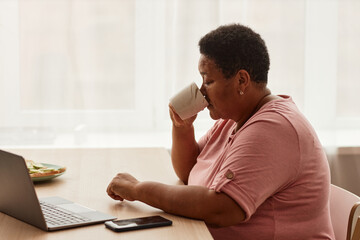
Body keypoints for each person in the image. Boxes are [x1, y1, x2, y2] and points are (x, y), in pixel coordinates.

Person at [107, 24, 335, 239]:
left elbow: (221, 208)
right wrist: (182, 128)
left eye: (209, 80)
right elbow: (189, 172)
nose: (201, 90)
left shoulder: (273, 128)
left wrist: (138, 189)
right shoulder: (235, 119)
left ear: (242, 81)